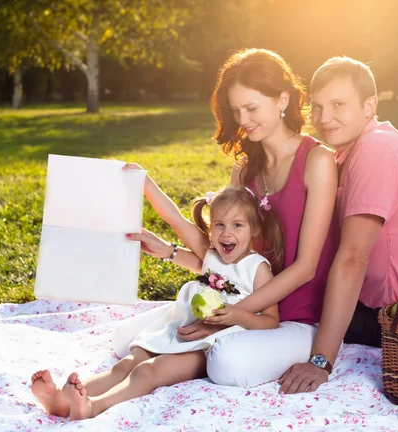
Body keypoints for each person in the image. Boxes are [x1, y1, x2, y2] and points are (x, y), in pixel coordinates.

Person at [128, 48, 340, 388]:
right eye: (236, 110)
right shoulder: (244, 169)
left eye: (252, 108)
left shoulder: (318, 161)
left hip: (298, 319)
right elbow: (227, 255)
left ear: (282, 99)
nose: (242, 120)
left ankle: (181, 359)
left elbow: (307, 268)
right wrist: (168, 249)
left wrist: (227, 317)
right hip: (242, 309)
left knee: (226, 362)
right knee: (128, 339)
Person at [30, 186, 284, 420]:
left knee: (148, 371)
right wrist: (146, 183)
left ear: (255, 230)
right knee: (129, 363)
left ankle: (93, 406)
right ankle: (62, 403)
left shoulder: (257, 269)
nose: (226, 233)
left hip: (208, 347)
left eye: (237, 225)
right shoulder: (212, 255)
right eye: (219, 225)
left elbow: (271, 321)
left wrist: (235, 315)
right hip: (180, 329)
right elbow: (175, 219)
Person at [277, 56, 398, 394]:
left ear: (370, 106)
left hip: (391, 317)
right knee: (264, 288)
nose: (324, 119)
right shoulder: (350, 148)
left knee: (278, 309)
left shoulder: (375, 150)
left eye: (338, 105)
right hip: (373, 303)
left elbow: (352, 260)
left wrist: (320, 361)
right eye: (318, 108)